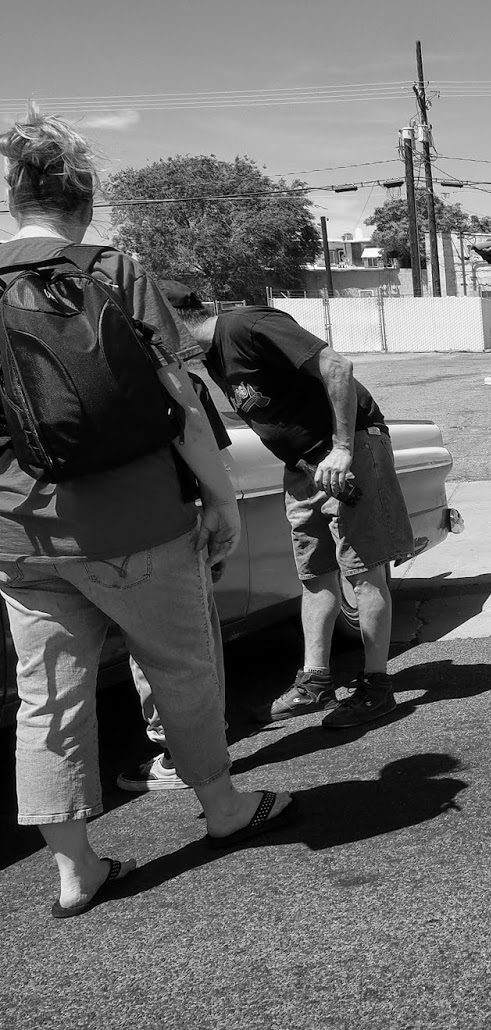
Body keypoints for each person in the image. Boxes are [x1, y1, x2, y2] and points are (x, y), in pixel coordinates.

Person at [0, 105, 295, 916]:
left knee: (48, 701)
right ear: (84, 196)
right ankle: (224, 809)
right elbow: (183, 399)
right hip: (137, 524)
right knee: (183, 668)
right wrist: (223, 497)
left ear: (12, 189)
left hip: (19, 540)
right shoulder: (111, 268)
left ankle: (73, 869)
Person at [166, 284, 414, 730]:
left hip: (348, 451)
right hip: (303, 467)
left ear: (173, 316)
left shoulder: (246, 325)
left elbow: (337, 366)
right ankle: (315, 680)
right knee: (314, 572)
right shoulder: (211, 359)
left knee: (362, 569)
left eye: (155, 329)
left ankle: (377, 687)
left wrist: (341, 449)